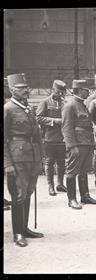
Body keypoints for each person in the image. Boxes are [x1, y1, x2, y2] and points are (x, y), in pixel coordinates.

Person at [4, 73, 44, 247]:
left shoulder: (27, 108)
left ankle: (25, 228)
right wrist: (7, 164)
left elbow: (37, 135)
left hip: (32, 156)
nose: (26, 90)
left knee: (28, 192)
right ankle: (18, 233)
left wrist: (40, 158)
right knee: (18, 195)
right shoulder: (8, 109)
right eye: (21, 88)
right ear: (12, 90)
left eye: (26, 88)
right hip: (17, 157)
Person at [62, 80, 96, 209]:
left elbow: (88, 125)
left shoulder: (82, 104)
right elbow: (66, 128)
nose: (88, 91)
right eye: (86, 89)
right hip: (77, 144)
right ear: (79, 90)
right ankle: (71, 199)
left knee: (84, 170)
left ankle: (85, 196)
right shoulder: (70, 106)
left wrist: (93, 141)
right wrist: (72, 146)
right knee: (72, 171)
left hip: (87, 143)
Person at [36, 80, 68, 196]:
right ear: (53, 90)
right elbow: (38, 118)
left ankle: (60, 184)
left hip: (62, 137)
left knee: (61, 162)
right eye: (58, 92)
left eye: (62, 92)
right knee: (49, 162)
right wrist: (55, 121)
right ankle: (50, 186)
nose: (60, 94)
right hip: (49, 137)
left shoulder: (65, 103)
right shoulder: (44, 102)